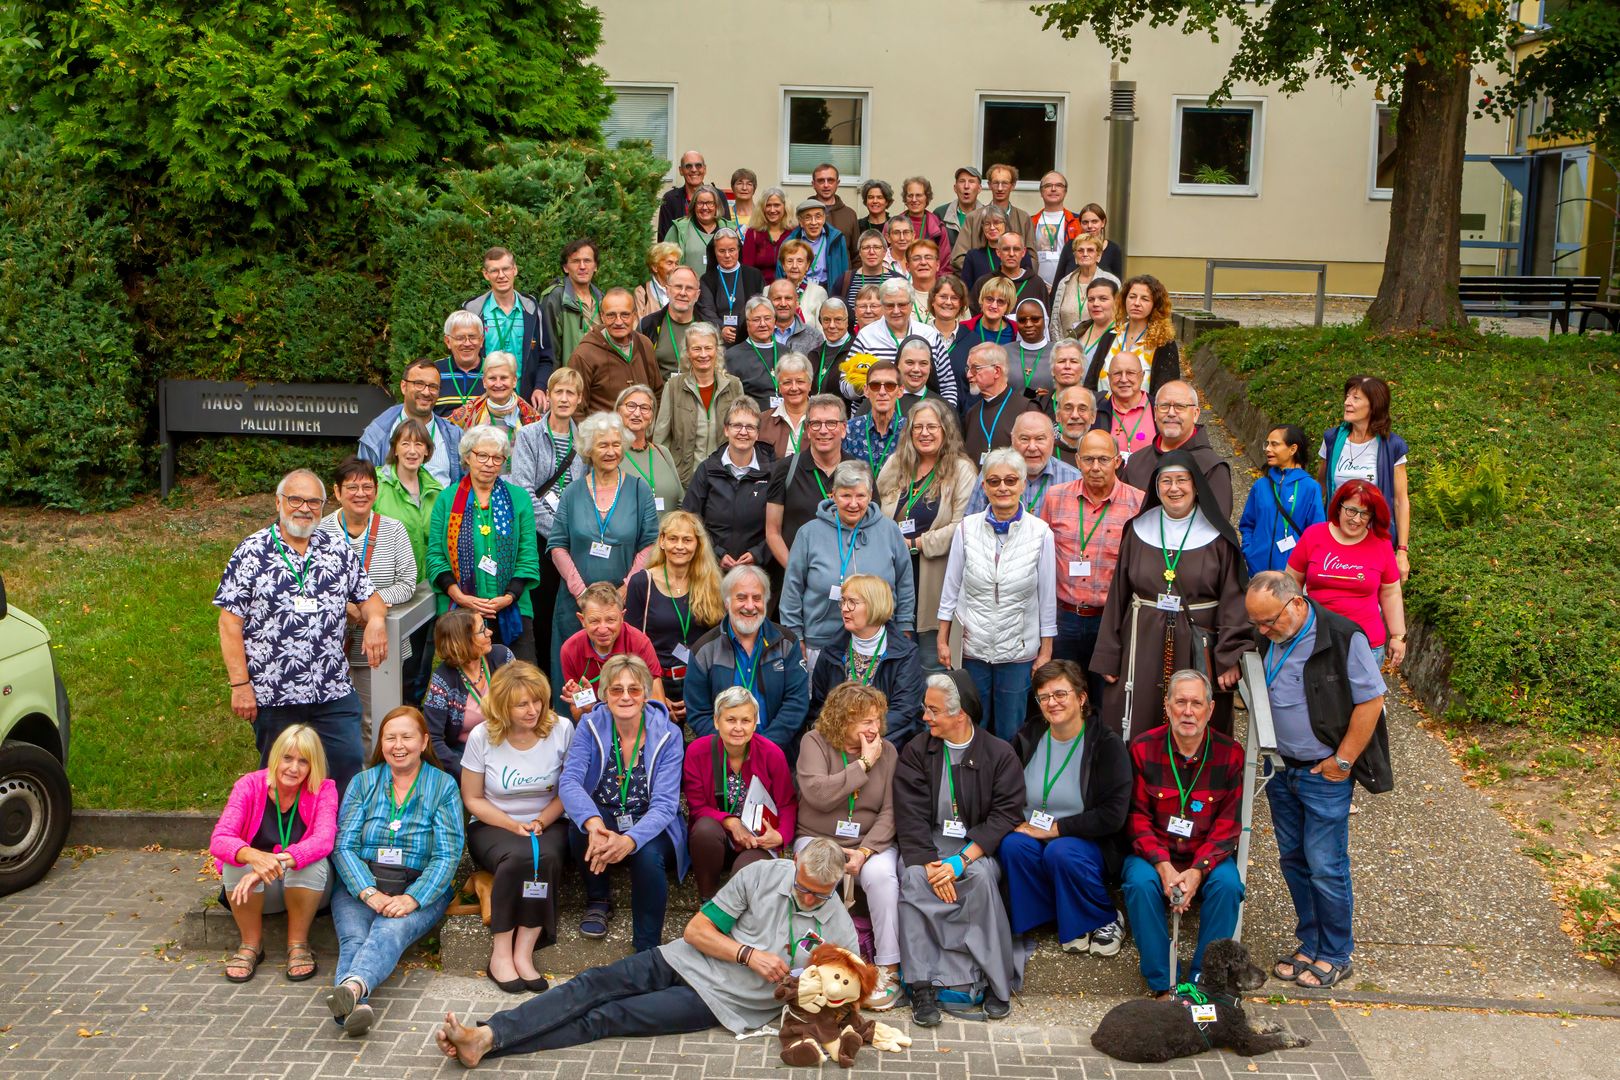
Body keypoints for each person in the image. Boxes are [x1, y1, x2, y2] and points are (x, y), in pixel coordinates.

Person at [433, 839, 856, 1064]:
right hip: (680, 958)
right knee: (592, 983)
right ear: (795, 863)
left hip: (719, 1000)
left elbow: (848, 988)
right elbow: (696, 931)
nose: (808, 898)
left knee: (607, 1018)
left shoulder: (837, 924)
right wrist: (748, 954)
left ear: (835, 885)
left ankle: (489, 1044)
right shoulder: (764, 874)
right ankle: (489, 1034)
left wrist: (809, 989)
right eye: (802, 887)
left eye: (820, 895)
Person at [1246, 572, 1392, 990]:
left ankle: (1335, 953)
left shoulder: (1342, 636)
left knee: (1325, 865)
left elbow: (1371, 700)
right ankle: (1309, 943)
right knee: (1294, 860)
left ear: (1295, 603)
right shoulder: (1269, 635)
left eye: (1268, 621)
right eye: (1256, 623)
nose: (1263, 631)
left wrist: (1342, 762)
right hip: (1281, 769)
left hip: (1322, 772)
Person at [216, 469, 386, 796]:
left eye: (313, 502)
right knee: (280, 779)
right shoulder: (252, 551)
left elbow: (371, 599)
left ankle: (340, 843)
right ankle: (286, 844)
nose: (304, 508)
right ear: (279, 502)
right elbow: (229, 623)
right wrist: (240, 685)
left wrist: (376, 621)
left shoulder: (337, 550)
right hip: (273, 692)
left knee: (348, 766)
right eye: (295, 499)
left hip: (332, 688)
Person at [894, 671, 1025, 1025]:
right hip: (927, 844)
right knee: (912, 879)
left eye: (933, 711)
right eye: (925, 709)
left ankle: (997, 983)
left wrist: (960, 860)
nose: (925, 717)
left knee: (980, 878)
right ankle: (921, 985)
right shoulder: (917, 751)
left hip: (975, 847)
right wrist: (930, 863)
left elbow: (1005, 815)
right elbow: (910, 815)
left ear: (960, 714)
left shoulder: (999, 753)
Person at [1092, 452, 1251, 740]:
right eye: (1166, 481)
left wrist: (1229, 656)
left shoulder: (1218, 537)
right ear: (1156, 487)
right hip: (1140, 641)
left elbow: (1234, 599)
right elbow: (1118, 595)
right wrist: (1108, 655)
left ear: (1195, 485)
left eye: (1181, 480)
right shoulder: (1138, 529)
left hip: (1196, 644)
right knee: (1138, 714)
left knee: (1191, 714)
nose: (1174, 488)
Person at [328, 705, 464, 1037]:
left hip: (419, 885)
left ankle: (352, 991)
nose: (398, 745)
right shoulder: (363, 782)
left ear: (424, 741)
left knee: (388, 933)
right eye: (390, 737)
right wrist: (367, 891)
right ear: (381, 743)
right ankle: (353, 1003)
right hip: (360, 883)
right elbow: (343, 844)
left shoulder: (443, 786)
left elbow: (448, 854)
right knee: (354, 939)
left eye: (407, 737)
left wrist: (413, 899)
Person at [1120, 670, 1245, 997]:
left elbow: (1228, 827)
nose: (1188, 711)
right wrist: (1163, 866)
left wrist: (1197, 871)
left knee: (1230, 885)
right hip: (1153, 854)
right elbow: (1136, 818)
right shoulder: (1142, 748)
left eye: (1196, 703)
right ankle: (1164, 984)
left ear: (1210, 709)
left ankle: (1205, 984)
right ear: (1167, 706)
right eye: (1180, 702)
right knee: (1138, 883)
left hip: (1205, 857)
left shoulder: (1231, 754)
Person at [559, 654, 689, 951]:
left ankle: (646, 947)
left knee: (646, 856)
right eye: (617, 689)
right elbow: (569, 782)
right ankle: (598, 899)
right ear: (605, 694)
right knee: (581, 826)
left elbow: (666, 805)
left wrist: (629, 841)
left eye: (634, 689)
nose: (626, 696)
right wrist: (593, 824)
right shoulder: (590, 725)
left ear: (646, 693)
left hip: (650, 821)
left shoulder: (669, 733)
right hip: (605, 812)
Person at [459, 661, 575, 992]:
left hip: (549, 819)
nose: (533, 710)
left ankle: (524, 951)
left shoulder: (561, 729)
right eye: (522, 703)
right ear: (502, 705)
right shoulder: (483, 736)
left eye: (537, 700)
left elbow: (569, 790)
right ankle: (500, 952)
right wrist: (511, 825)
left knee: (546, 858)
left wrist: (542, 821)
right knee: (518, 859)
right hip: (493, 822)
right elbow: (473, 798)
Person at [1002, 661, 1131, 956]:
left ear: (1081, 697)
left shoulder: (1106, 744)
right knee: (1013, 845)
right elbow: (1005, 788)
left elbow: (1114, 814)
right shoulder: (1029, 736)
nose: (1052, 703)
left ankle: (1105, 917)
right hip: (1034, 834)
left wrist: (1058, 828)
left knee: (1061, 851)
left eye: (1060, 694)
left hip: (1087, 842)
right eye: (1044, 697)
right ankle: (1056, 916)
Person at [794, 682, 904, 1009]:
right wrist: (863, 765)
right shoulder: (814, 743)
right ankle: (808, 962)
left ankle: (888, 969)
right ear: (842, 720)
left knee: (882, 877)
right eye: (865, 721)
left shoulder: (890, 752)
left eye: (877, 721)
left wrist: (867, 850)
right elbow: (819, 795)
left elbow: (890, 811)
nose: (875, 729)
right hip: (819, 836)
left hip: (870, 842)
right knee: (815, 869)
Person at [936, 449, 1056, 740]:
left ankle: (1007, 784)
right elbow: (950, 588)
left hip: (1018, 652)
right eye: (994, 481)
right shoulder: (966, 529)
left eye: (1011, 480)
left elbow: (1047, 597)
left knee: (1010, 731)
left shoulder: (1041, 533)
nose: (1002, 487)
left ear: (1023, 484)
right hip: (973, 648)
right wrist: (942, 638)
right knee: (972, 726)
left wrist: (1046, 650)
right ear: (984, 486)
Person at [545, 411, 660, 700]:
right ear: (588, 450)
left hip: (623, 603)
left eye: (615, 444)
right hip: (577, 603)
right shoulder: (572, 492)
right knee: (576, 678)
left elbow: (650, 543)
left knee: (623, 676)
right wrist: (580, 591)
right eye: (602, 445)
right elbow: (557, 544)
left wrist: (627, 587)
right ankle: (577, 736)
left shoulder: (638, 489)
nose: (610, 451)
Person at [211, 724, 338, 984]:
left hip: (307, 888)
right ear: (275, 756)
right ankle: (250, 945)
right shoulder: (249, 785)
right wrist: (253, 857)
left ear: (313, 764)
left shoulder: (324, 789)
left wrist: (273, 861)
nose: (294, 768)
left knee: (310, 862)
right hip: (260, 891)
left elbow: (324, 840)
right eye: (287, 758)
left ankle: (298, 945)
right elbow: (220, 839)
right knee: (236, 860)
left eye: (303, 761)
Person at [1040, 430, 1146, 706]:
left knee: (1106, 699)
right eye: (1088, 459)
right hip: (1064, 619)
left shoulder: (1138, 504)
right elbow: (1042, 555)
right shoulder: (1055, 497)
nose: (1095, 467)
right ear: (1077, 460)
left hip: (1109, 621)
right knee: (1063, 698)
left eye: (1103, 459)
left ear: (1117, 461)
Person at [781, 460, 916, 670]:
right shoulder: (808, 534)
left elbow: (905, 583)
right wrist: (794, 635)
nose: (853, 503)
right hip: (821, 641)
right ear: (832, 495)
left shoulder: (890, 531)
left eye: (860, 496)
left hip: (879, 642)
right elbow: (792, 589)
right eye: (846, 495)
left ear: (871, 496)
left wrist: (905, 626)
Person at [876, 397, 977, 673]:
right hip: (894, 574)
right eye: (917, 427)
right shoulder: (898, 463)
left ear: (946, 430)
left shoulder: (961, 469)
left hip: (934, 577)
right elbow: (873, 508)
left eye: (932, 427)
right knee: (893, 666)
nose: (924, 433)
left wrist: (918, 543)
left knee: (932, 665)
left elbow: (963, 525)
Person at [427, 425, 540, 667]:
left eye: (497, 457)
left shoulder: (519, 498)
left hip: (513, 608)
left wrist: (508, 598)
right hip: (460, 610)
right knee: (467, 681)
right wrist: (461, 596)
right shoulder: (447, 499)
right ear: (467, 457)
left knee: (521, 680)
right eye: (482, 456)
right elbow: (436, 556)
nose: (490, 463)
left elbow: (528, 555)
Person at [319, 458, 419, 720]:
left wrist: (367, 604)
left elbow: (407, 583)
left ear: (376, 491)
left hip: (377, 642)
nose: (360, 494)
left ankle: (371, 763)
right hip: (329, 643)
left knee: (375, 718)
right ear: (337, 491)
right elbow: (310, 585)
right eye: (352, 487)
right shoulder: (319, 533)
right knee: (331, 719)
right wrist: (345, 605)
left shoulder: (394, 529)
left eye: (367, 486)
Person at [683, 686, 797, 900]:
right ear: (717, 721)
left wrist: (780, 836)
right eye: (730, 720)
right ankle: (707, 900)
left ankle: (732, 913)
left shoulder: (772, 753)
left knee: (747, 871)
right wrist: (730, 822)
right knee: (704, 829)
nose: (738, 728)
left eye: (745, 721)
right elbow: (697, 807)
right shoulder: (697, 751)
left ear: (755, 723)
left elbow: (787, 803)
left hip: (756, 840)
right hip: (717, 838)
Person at [510, 367, 589, 669]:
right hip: (540, 541)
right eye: (559, 391)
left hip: (574, 543)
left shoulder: (584, 441)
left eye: (571, 392)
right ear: (549, 395)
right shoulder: (529, 436)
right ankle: (541, 678)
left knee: (570, 611)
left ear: (579, 399)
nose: (565, 398)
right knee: (541, 613)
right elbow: (524, 491)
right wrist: (558, 533)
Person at [684, 565, 810, 749]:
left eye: (757, 598)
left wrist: (764, 748)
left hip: (776, 754)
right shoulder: (704, 650)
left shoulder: (787, 643)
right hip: (724, 758)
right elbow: (699, 712)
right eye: (741, 598)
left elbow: (796, 703)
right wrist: (732, 747)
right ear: (727, 603)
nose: (750, 606)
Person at [1286, 480, 1406, 669]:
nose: (1356, 519)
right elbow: (1290, 584)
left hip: (1365, 644)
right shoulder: (1313, 536)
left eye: (1364, 513)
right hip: (1316, 640)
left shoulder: (1381, 545)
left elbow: (1391, 593)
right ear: (1339, 507)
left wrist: (1398, 636)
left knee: (1363, 700)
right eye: (1351, 510)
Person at [624, 509, 724, 724]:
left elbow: (719, 642)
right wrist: (656, 695)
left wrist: (699, 695)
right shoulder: (642, 583)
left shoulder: (711, 583)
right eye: (673, 539)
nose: (680, 546)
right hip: (654, 682)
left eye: (687, 540)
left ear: (697, 544)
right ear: (661, 541)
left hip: (701, 682)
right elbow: (631, 643)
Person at [808, 573, 926, 745]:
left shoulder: (905, 654)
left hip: (888, 744)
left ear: (874, 605)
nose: (844, 608)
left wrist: (865, 737)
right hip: (838, 744)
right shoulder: (831, 651)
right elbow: (819, 705)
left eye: (852, 602)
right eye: (843, 601)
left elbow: (904, 711)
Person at [374, 418, 444, 703]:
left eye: (419, 444)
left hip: (425, 590)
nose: (412, 450)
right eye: (406, 443)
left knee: (420, 661)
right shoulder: (377, 484)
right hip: (386, 588)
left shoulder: (436, 491)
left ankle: (411, 714)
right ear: (395, 449)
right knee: (389, 661)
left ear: (428, 450)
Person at [1319, 374, 1412, 581]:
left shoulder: (1392, 446)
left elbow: (1400, 501)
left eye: (1355, 398)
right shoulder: (1332, 439)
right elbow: (1321, 489)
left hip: (1374, 538)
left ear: (1374, 406)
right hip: (1335, 535)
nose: (1347, 402)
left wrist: (1402, 551)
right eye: (1347, 396)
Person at [682, 399, 775, 571]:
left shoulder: (772, 472)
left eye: (750, 427)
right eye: (737, 425)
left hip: (758, 570)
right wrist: (716, 553)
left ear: (757, 433)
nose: (743, 432)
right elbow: (690, 520)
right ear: (726, 429)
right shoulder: (707, 470)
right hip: (710, 568)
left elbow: (781, 525)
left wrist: (758, 554)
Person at [765, 394, 856, 567]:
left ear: (844, 428)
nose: (823, 430)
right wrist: (796, 571)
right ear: (807, 428)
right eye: (816, 423)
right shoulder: (786, 469)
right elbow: (772, 531)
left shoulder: (858, 472)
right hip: (797, 577)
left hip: (848, 578)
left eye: (831, 423)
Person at [1121, 380, 1234, 517]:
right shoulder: (1136, 461)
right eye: (1164, 406)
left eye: (1180, 406)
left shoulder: (1212, 467)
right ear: (1155, 412)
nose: (1171, 413)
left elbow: (1217, 527)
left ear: (1196, 414)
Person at [423, 608, 516, 775]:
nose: (490, 632)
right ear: (462, 642)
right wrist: (466, 772)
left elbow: (528, 699)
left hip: (511, 743)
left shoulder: (503, 658)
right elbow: (433, 740)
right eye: (482, 630)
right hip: (466, 754)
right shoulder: (443, 680)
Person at [653, 321, 745, 488]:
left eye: (708, 348)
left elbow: (742, 432)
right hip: (684, 482)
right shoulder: (673, 387)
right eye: (696, 349)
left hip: (725, 480)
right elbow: (661, 440)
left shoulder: (734, 386)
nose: (703, 354)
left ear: (717, 350)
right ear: (687, 353)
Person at [558, 582, 665, 721]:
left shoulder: (639, 643)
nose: (603, 629)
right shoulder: (570, 650)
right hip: (596, 723)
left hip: (636, 721)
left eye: (610, 620)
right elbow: (579, 715)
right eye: (595, 621)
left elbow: (657, 705)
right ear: (582, 620)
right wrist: (589, 707)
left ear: (622, 617)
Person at [464, 246, 552, 409]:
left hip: (525, 402)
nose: (501, 275)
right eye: (494, 271)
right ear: (486, 274)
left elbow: (546, 358)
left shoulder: (532, 309)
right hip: (483, 404)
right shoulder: (473, 311)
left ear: (515, 270)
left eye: (505, 269)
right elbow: (463, 358)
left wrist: (540, 387)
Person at [357, 360, 465, 487]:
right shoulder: (376, 435)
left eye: (433, 387)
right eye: (419, 384)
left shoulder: (454, 436)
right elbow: (363, 487)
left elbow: (464, 489)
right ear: (403, 386)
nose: (426, 392)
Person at [851, 278, 957, 406]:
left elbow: (948, 385)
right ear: (882, 306)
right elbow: (845, 386)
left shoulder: (929, 335)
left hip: (923, 419)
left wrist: (944, 416)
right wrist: (863, 385)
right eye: (890, 305)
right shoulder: (866, 336)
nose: (896, 311)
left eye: (902, 305)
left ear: (911, 305)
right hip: (875, 418)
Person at [1240, 424, 1328, 576]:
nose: (1268, 449)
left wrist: (1302, 565)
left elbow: (1316, 534)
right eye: (1267, 444)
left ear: (1293, 449)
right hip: (1256, 571)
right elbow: (1248, 524)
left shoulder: (1310, 487)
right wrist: (1249, 550)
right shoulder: (1261, 485)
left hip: (1291, 574)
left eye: (1274, 444)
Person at [964, 403, 1080, 516]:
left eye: (1040, 439)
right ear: (1012, 440)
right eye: (1024, 439)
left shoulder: (1074, 479)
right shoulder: (991, 473)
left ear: (1053, 440)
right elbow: (971, 524)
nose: (1032, 447)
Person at [569, 288, 663, 416]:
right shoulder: (585, 355)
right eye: (611, 315)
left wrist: (652, 432)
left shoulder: (644, 345)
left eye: (625, 315)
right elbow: (575, 409)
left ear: (634, 315)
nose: (618, 322)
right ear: (602, 316)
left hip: (642, 434)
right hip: (605, 434)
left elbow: (657, 393)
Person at [1086, 274, 1179, 401]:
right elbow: (1090, 383)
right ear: (1124, 299)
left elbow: (1166, 393)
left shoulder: (1163, 343)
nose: (1136, 303)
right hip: (1104, 416)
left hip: (1143, 417)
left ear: (1155, 305)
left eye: (1145, 299)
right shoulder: (1111, 336)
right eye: (1132, 297)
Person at [960, 343, 1037, 464]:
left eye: (975, 368)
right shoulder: (972, 413)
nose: (968, 375)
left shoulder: (1027, 409)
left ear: (996, 371)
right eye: (968, 369)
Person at [947, 277, 1018, 409]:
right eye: (989, 299)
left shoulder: (1016, 333)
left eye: (1001, 302)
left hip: (1003, 403)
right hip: (966, 402)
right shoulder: (964, 329)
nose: (994, 305)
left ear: (1008, 306)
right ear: (981, 300)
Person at [616, 384, 683, 516]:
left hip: (667, 534)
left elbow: (680, 501)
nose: (637, 413)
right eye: (631, 406)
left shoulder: (662, 452)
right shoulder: (612, 455)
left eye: (644, 408)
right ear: (618, 412)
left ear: (652, 416)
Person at [539, 239, 605, 371]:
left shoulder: (602, 299)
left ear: (595, 266)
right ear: (565, 267)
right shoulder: (554, 297)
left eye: (587, 261)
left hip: (599, 378)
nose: (582, 266)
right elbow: (550, 351)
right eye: (575, 261)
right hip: (569, 381)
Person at [447, 351, 542, 442]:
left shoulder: (531, 416)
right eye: (492, 378)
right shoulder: (467, 412)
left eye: (504, 378)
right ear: (484, 382)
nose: (498, 384)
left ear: (514, 381)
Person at [957, 163, 1036, 268]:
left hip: (1014, 283)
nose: (999, 188)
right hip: (981, 282)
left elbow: (1032, 259)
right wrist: (981, 272)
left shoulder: (1023, 218)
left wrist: (1014, 273)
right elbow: (958, 257)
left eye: (1005, 183)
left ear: (1013, 186)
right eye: (995, 183)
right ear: (989, 185)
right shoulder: (973, 218)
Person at [697, 227, 764, 346]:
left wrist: (741, 329)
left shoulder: (754, 275)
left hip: (749, 337)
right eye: (722, 251)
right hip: (718, 341)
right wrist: (721, 328)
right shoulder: (707, 279)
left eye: (732, 250)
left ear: (739, 249)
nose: (727, 255)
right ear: (714, 252)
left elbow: (759, 306)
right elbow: (706, 310)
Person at [1050, 235, 1122, 340]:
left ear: (1098, 256)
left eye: (1090, 250)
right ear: (1075, 256)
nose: (1085, 254)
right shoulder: (1065, 282)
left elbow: (1119, 317)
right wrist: (1060, 347)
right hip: (1067, 349)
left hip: (1100, 347)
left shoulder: (1112, 282)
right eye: (1080, 251)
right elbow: (1055, 321)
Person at [638, 265, 702, 382]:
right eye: (678, 287)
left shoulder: (708, 328)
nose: (683, 293)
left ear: (697, 295)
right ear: (667, 290)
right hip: (659, 397)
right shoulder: (648, 326)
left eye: (689, 288)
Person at [842, 359, 906, 476]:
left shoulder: (909, 431)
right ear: (866, 390)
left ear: (900, 391)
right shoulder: (849, 430)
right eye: (875, 385)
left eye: (890, 385)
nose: (882, 392)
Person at [727, 295, 792, 409]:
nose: (763, 324)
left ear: (774, 320)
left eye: (767, 318)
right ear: (747, 323)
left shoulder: (787, 353)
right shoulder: (732, 356)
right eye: (756, 319)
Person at [657, 151, 729, 241]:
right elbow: (664, 239)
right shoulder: (670, 199)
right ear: (681, 170)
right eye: (688, 166)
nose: (694, 170)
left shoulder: (719, 196)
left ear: (705, 169)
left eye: (698, 165)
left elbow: (728, 232)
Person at [756, 351, 815, 460]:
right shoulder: (763, 421)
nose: (794, 388)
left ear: (810, 384)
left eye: (800, 381)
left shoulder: (823, 420)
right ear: (779, 386)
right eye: (787, 382)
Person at [1050, 203, 1126, 286]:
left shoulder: (1113, 249)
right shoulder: (1070, 246)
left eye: (1094, 221)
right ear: (1080, 224)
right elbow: (1058, 281)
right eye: (1085, 222)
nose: (1089, 226)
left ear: (1103, 223)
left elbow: (1117, 285)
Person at [956, 209, 1024, 301]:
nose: (992, 227)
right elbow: (966, 292)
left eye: (996, 223)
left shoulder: (1018, 254)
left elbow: (1026, 283)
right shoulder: (973, 256)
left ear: (1006, 225)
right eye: (987, 224)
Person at [782, 199, 849, 291]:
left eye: (818, 216)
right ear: (801, 222)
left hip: (829, 290)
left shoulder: (837, 239)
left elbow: (844, 272)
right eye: (808, 217)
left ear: (824, 218)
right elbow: (781, 273)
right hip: (798, 290)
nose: (813, 222)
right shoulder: (789, 242)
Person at [1101, 349, 1154, 464]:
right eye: (1117, 373)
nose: (1124, 379)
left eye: (1130, 373)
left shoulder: (1159, 409)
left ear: (1142, 376)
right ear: (1109, 378)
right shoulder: (1097, 413)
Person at [1030, 172, 1084, 286]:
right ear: (1041, 192)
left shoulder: (1077, 221)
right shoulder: (1030, 222)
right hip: (1037, 285)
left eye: (1059, 185)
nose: (1053, 189)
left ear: (1065, 191)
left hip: (1070, 284)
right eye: (1048, 186)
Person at [832, 229, 903, 312]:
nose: (871, 252)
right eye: (866, 248)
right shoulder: (844, 280)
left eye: (876, 247)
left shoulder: (898, 280)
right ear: (860, 252)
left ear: (884, 251)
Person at [435, 310, 489, 418]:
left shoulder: (494, 371)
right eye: (460, 338)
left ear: (481, 340)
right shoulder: (434, 372)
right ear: (448, 341)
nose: (467, 343)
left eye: (472, 337)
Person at [981, 233, 1049, 315]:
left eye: (1016, 249)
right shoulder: (985, 282)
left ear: (1023, 252)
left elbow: (1045, 318)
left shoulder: (1037, 284)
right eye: (1006, 249)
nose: (1011, 254)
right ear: (998, 252)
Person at [663, 184, 725, 275]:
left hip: (721, 288)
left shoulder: (728, 229)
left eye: (709, 203)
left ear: (716, 206)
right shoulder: (678, 230)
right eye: (700, 203)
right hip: (687, 287)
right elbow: (664, 263)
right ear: (694, 205)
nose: (705, 208)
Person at [1070, 277, 1120, 378]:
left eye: (1103, 299)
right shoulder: (1079, 330)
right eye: (1091, 299)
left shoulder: (1122, 335)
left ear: (1116, 301)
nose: (1095, 304)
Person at [809, 162, 860, 259]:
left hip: (843, 273)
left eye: (830, 180)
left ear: (837, 183)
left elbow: (856, 254)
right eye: (821, 181)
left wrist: (852, 274)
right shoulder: (805, 214)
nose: (826, 185)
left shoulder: (849, 214)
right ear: (813, 184)